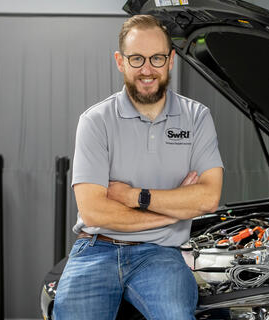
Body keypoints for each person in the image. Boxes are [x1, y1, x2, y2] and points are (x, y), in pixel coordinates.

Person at [53, 15, 223, 320]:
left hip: (161, 256)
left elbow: (207, 198)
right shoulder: (96, 121)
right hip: (96, 250)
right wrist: (173, 210)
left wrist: (133, 196)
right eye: (136, 59)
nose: (147, 69)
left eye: (157, 58)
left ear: (171, 60)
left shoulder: (197, 117)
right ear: (120, 61)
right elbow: (94, 212)